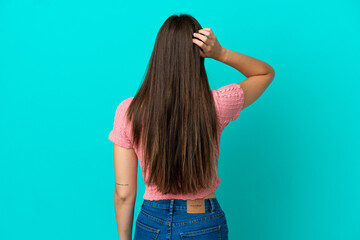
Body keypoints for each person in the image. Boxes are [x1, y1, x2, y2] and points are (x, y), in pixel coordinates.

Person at [108, 14, 275, 240]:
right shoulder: (216, 105)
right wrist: (220, 52)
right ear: (199, 57)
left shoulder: (129, 111)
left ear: (159, 55)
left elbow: (124, 193)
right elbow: (264, 73)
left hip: (151, 222)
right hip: (203, 223)